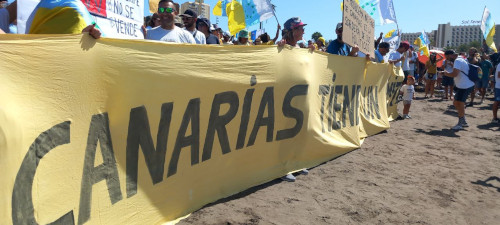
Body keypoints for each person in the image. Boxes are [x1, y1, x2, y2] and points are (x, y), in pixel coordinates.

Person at [443, 50, 475, 130]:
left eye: (447, 58)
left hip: (464, 86)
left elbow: (454, 74)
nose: (447, 59)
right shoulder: (461, 59)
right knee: (456, 102)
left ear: (450, 55)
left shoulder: (457, 60)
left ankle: (461, 123)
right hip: (465, 85)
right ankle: (463, 120)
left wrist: (445, 73)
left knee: (459, 103)